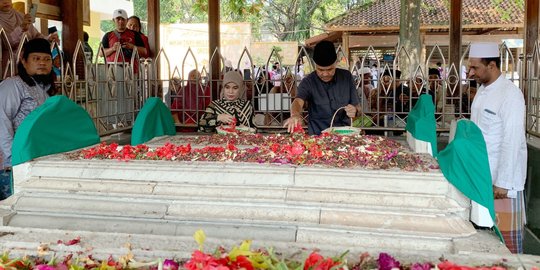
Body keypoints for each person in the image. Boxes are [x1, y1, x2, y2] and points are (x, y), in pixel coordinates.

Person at [468, 42, 527, 253]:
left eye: (475, 67)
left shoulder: (510, 95)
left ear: (492, 65)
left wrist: (503, 183)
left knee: (506, 246)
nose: (470, 72)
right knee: (485, 240)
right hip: (483, 176)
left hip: (502, 185)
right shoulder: (482, 92)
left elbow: (512, 141)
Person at [0, 38, 55, 200]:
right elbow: (2, 121)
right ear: (24, 61)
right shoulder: (13, 85)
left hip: (34, 159)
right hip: (12, 165)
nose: (42, 63)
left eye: (47, 59)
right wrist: (13, 157)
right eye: (36, 58)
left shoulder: (45, 88)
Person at [283, 40, 358, 135]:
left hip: (344, 134)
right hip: (317, 136)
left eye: (330, 69)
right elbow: (298, 101)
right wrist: (295, 115)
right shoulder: (308, 81)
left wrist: (355, 111)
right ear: (315, 65)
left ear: (336, 63)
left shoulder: (346, 77)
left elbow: (357, 106)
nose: (325, 74)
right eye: (320, 70)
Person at [0, 0, 45, 75]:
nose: (6, 2)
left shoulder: (20, 16)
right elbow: (6, 43)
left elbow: (36, 36)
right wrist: (21, 28)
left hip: (27, 65)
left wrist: (48, 39)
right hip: (8, 67)